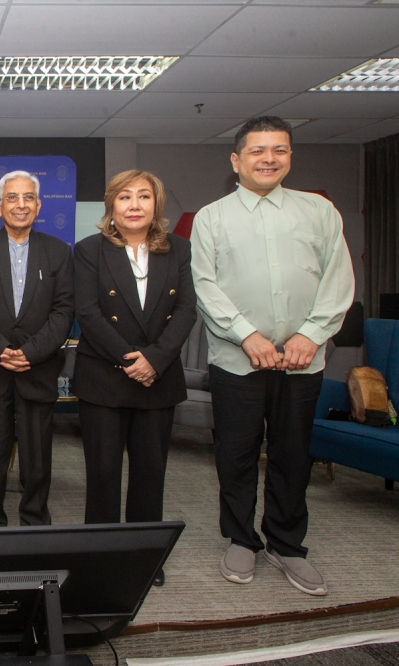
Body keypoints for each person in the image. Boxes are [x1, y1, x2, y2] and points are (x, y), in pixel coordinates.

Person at [191, 116, 354, 597]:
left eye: (279, 150)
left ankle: (286, 544)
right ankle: (242, 539)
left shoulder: (319, 211)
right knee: (236, 455)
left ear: (289, 157)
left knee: (291, 455)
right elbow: (206, 286)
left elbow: (337, 280)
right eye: (257, 151)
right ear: (236, 160)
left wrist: (310, 334)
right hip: (238, 360)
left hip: (304, 360)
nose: (268, 159)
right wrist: (248, 336)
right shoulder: (212, 217)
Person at [72, 169, 197, 587]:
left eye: (144, 197)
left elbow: (186, 313)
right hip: (105, 378)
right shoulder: (89, 250)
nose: (135, 205)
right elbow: (87, 313)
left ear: (156, 206)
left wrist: (154, 361)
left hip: (156, 380)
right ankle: (99, 554)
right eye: (125, 197)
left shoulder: (178, 249)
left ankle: (144, 558)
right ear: (112, 206)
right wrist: (131, 359)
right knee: (103, 473)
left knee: (149, 473)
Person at [0, 171, 74, 528]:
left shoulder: (58, 251)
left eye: (28, 198)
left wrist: (31, 353)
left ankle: (35, 520)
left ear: (38, 206)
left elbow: (64, 309)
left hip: (37, 369)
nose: (20, 205)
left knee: (37, 458)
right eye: (12, 197)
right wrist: (0, 350)